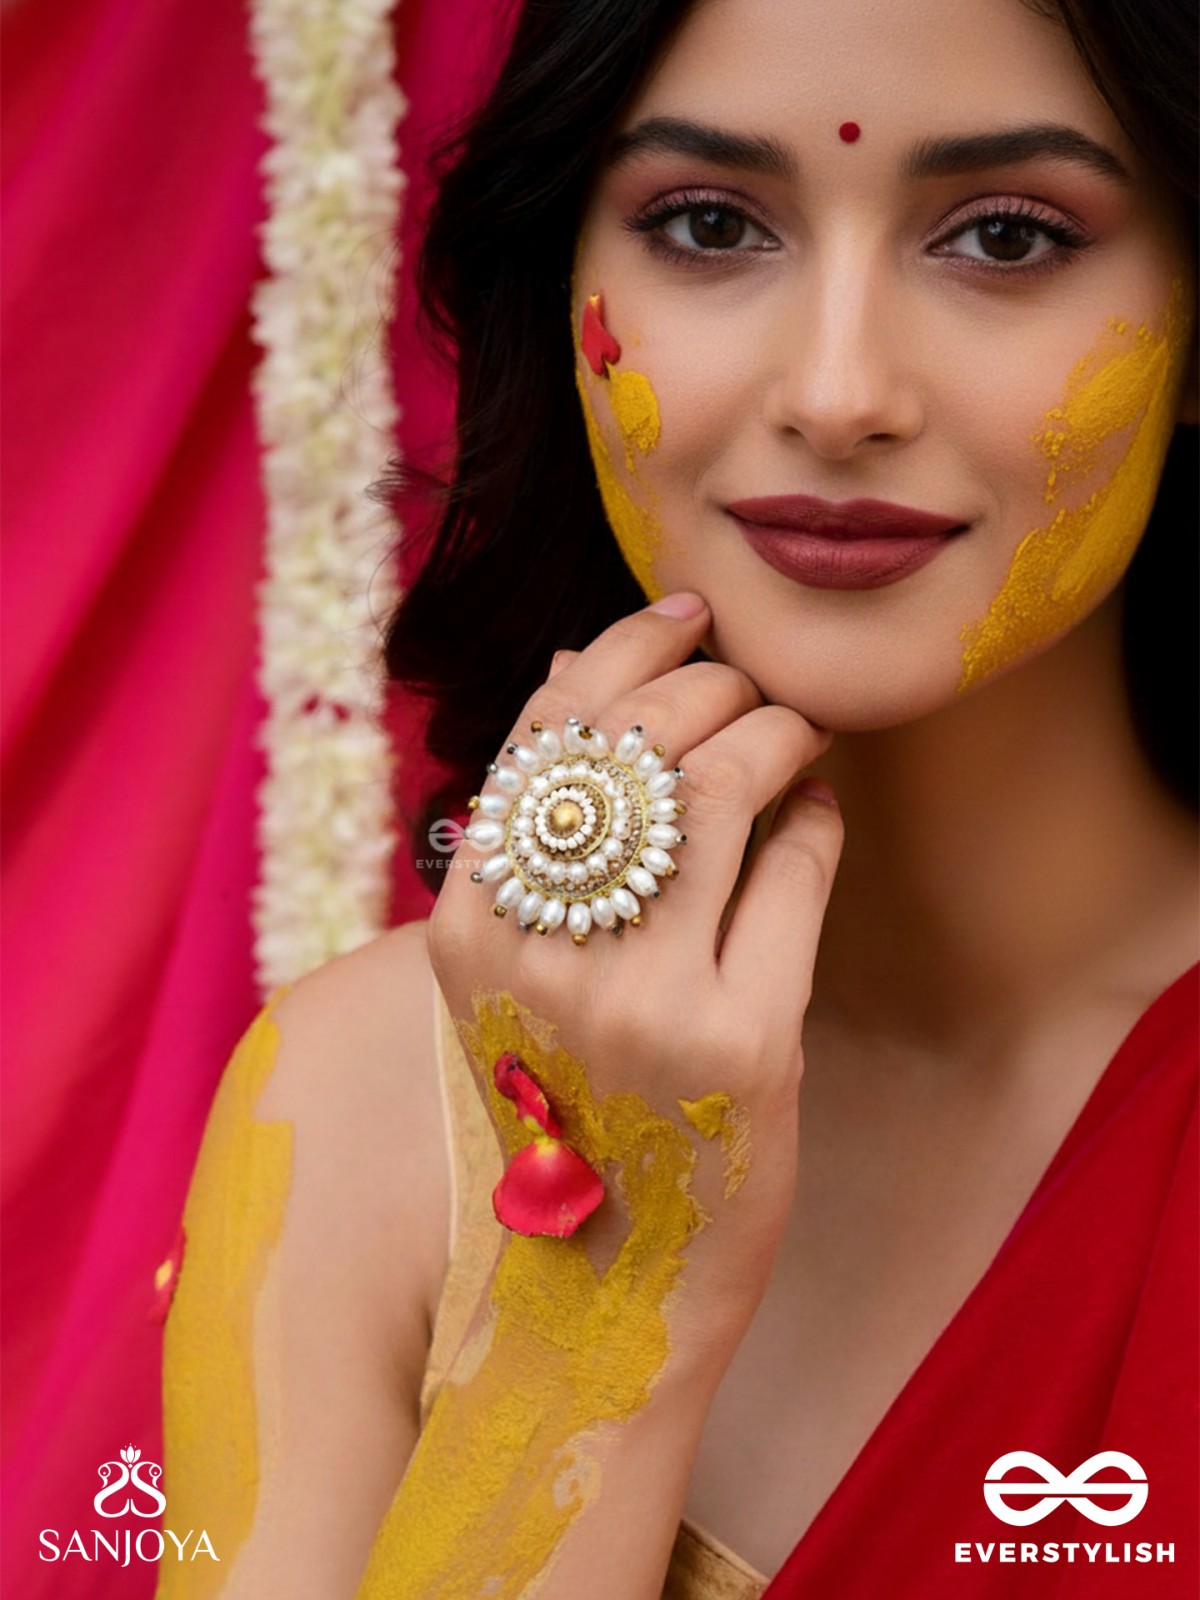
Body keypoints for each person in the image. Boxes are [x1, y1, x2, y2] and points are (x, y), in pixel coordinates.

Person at [155, 0, 1199, 1595]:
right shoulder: (364, 1111)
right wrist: (596, 1313)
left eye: (1006, 234)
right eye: (709, 224)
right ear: (564, 278)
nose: (842, 391)